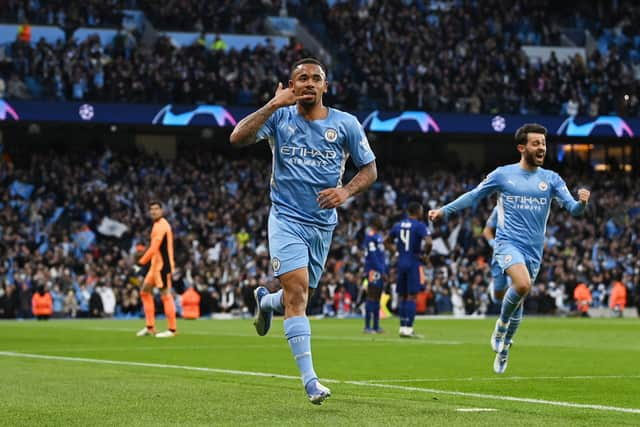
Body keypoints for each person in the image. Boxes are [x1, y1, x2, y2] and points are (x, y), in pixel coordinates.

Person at [229, 57, 377, 404]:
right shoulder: (279, 116)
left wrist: (345, 191)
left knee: (299, 295)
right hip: (285, 218)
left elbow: (369, 170)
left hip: (322, 224)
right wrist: (271, 104)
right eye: (301, 79)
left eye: (315, 79)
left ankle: (266, 302)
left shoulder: (346, 124)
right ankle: (311, 381)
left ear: (325, 86)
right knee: (298, 296)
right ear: (291, 86)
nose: (308, 83)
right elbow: (237, 138)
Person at [429, 123, 590, 374]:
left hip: (533, 251)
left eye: (544, 144)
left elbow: (573, 209)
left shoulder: (552, 180)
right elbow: (473, 195)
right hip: (507, 244)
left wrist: (582, 203)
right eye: (536, 143)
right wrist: (443, 210)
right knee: (522, 285)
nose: (541, 148)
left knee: (519, 298)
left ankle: (505, 347)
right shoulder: (503, 175)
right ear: (521, 147)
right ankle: (501, 326)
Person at [386, 202, 432, 338]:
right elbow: (429, 242)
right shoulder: (419, 225)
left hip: (401, 262)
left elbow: (386, 241)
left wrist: (396, 252)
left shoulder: (398, 225)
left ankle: (402, 327)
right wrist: (425, 255)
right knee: (412, 296)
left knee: (402, 296)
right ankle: (409, 329)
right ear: (417, 212)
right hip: (413, 262)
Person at [134, 201, 177, 338]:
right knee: (145, 292)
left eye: (156, 209)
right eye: (151, 209)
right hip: (154, 265)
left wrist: (141, 263)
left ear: (162, 210)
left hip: (163, 266)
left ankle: (172, 330)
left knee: (165, 295)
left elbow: (154, 248)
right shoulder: (156, 225)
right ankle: (150, 327)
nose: (153, 211)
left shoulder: (162, 226)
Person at [362, 216, 387, 333]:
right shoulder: (370, 237)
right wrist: (381, 271)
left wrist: (384, 270)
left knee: (377, 298)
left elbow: (381, 256)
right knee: (371, 297)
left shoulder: (378, 236)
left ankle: (376, 325)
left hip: (380, 270)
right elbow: (373, 256)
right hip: (373, 270)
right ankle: (367, 326)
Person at [482, 206, 511, 304]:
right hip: (500, 254)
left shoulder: (528, 206)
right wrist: (493, 244)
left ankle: (511, 316)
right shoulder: (499, 208)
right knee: (497, 298)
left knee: (520, 286)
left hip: (518, 253)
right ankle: (495, 287)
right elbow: (486, 231)